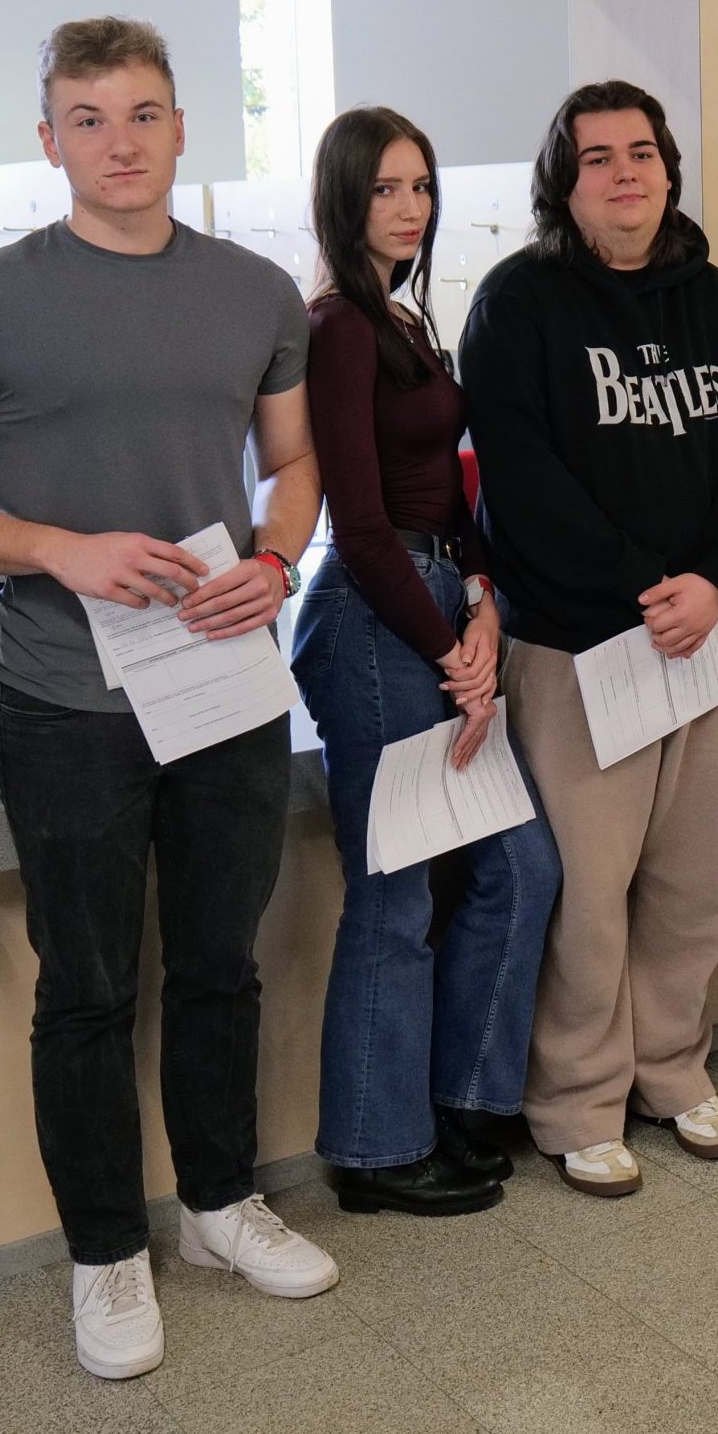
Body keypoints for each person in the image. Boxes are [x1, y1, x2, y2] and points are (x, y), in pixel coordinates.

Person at [0, 17, 339, 1384]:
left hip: (223, 682)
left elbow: (295, 465)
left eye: (143, 113)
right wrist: (55, 548)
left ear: (182, 127)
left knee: (220, 962)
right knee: (86, 987)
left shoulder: (256, 293)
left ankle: (217, 1203)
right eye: (87, 118)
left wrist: (278, 560)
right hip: (67, 695)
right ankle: (104, 1250)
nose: (120, 141)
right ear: (49, 140)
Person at [460, 80, 718, 1198]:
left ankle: (671, 1067)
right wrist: (649, 586)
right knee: (589, 895)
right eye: (596, 157)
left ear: (668, 169)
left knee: (697, 877)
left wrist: (717, 581)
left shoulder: (717, 300)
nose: (624, 173)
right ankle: (577, 1099)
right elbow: (520, 477)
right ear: (565, 182)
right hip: (580, 645)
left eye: (640, 152)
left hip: (700, 639)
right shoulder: (517, 302)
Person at [292, 106, 561, 1214]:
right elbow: (359, 525)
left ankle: (460, 1099)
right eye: (385, 189)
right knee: (395, 892)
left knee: (520, 865)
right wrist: (449, 643)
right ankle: (373, 1147)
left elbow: (453, 486)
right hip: (374, 615)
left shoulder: (405, 317)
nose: (410, 208)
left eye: (421, 187)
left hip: (442, 594)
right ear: (343, 199)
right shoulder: (338, 327)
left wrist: (482, 599)